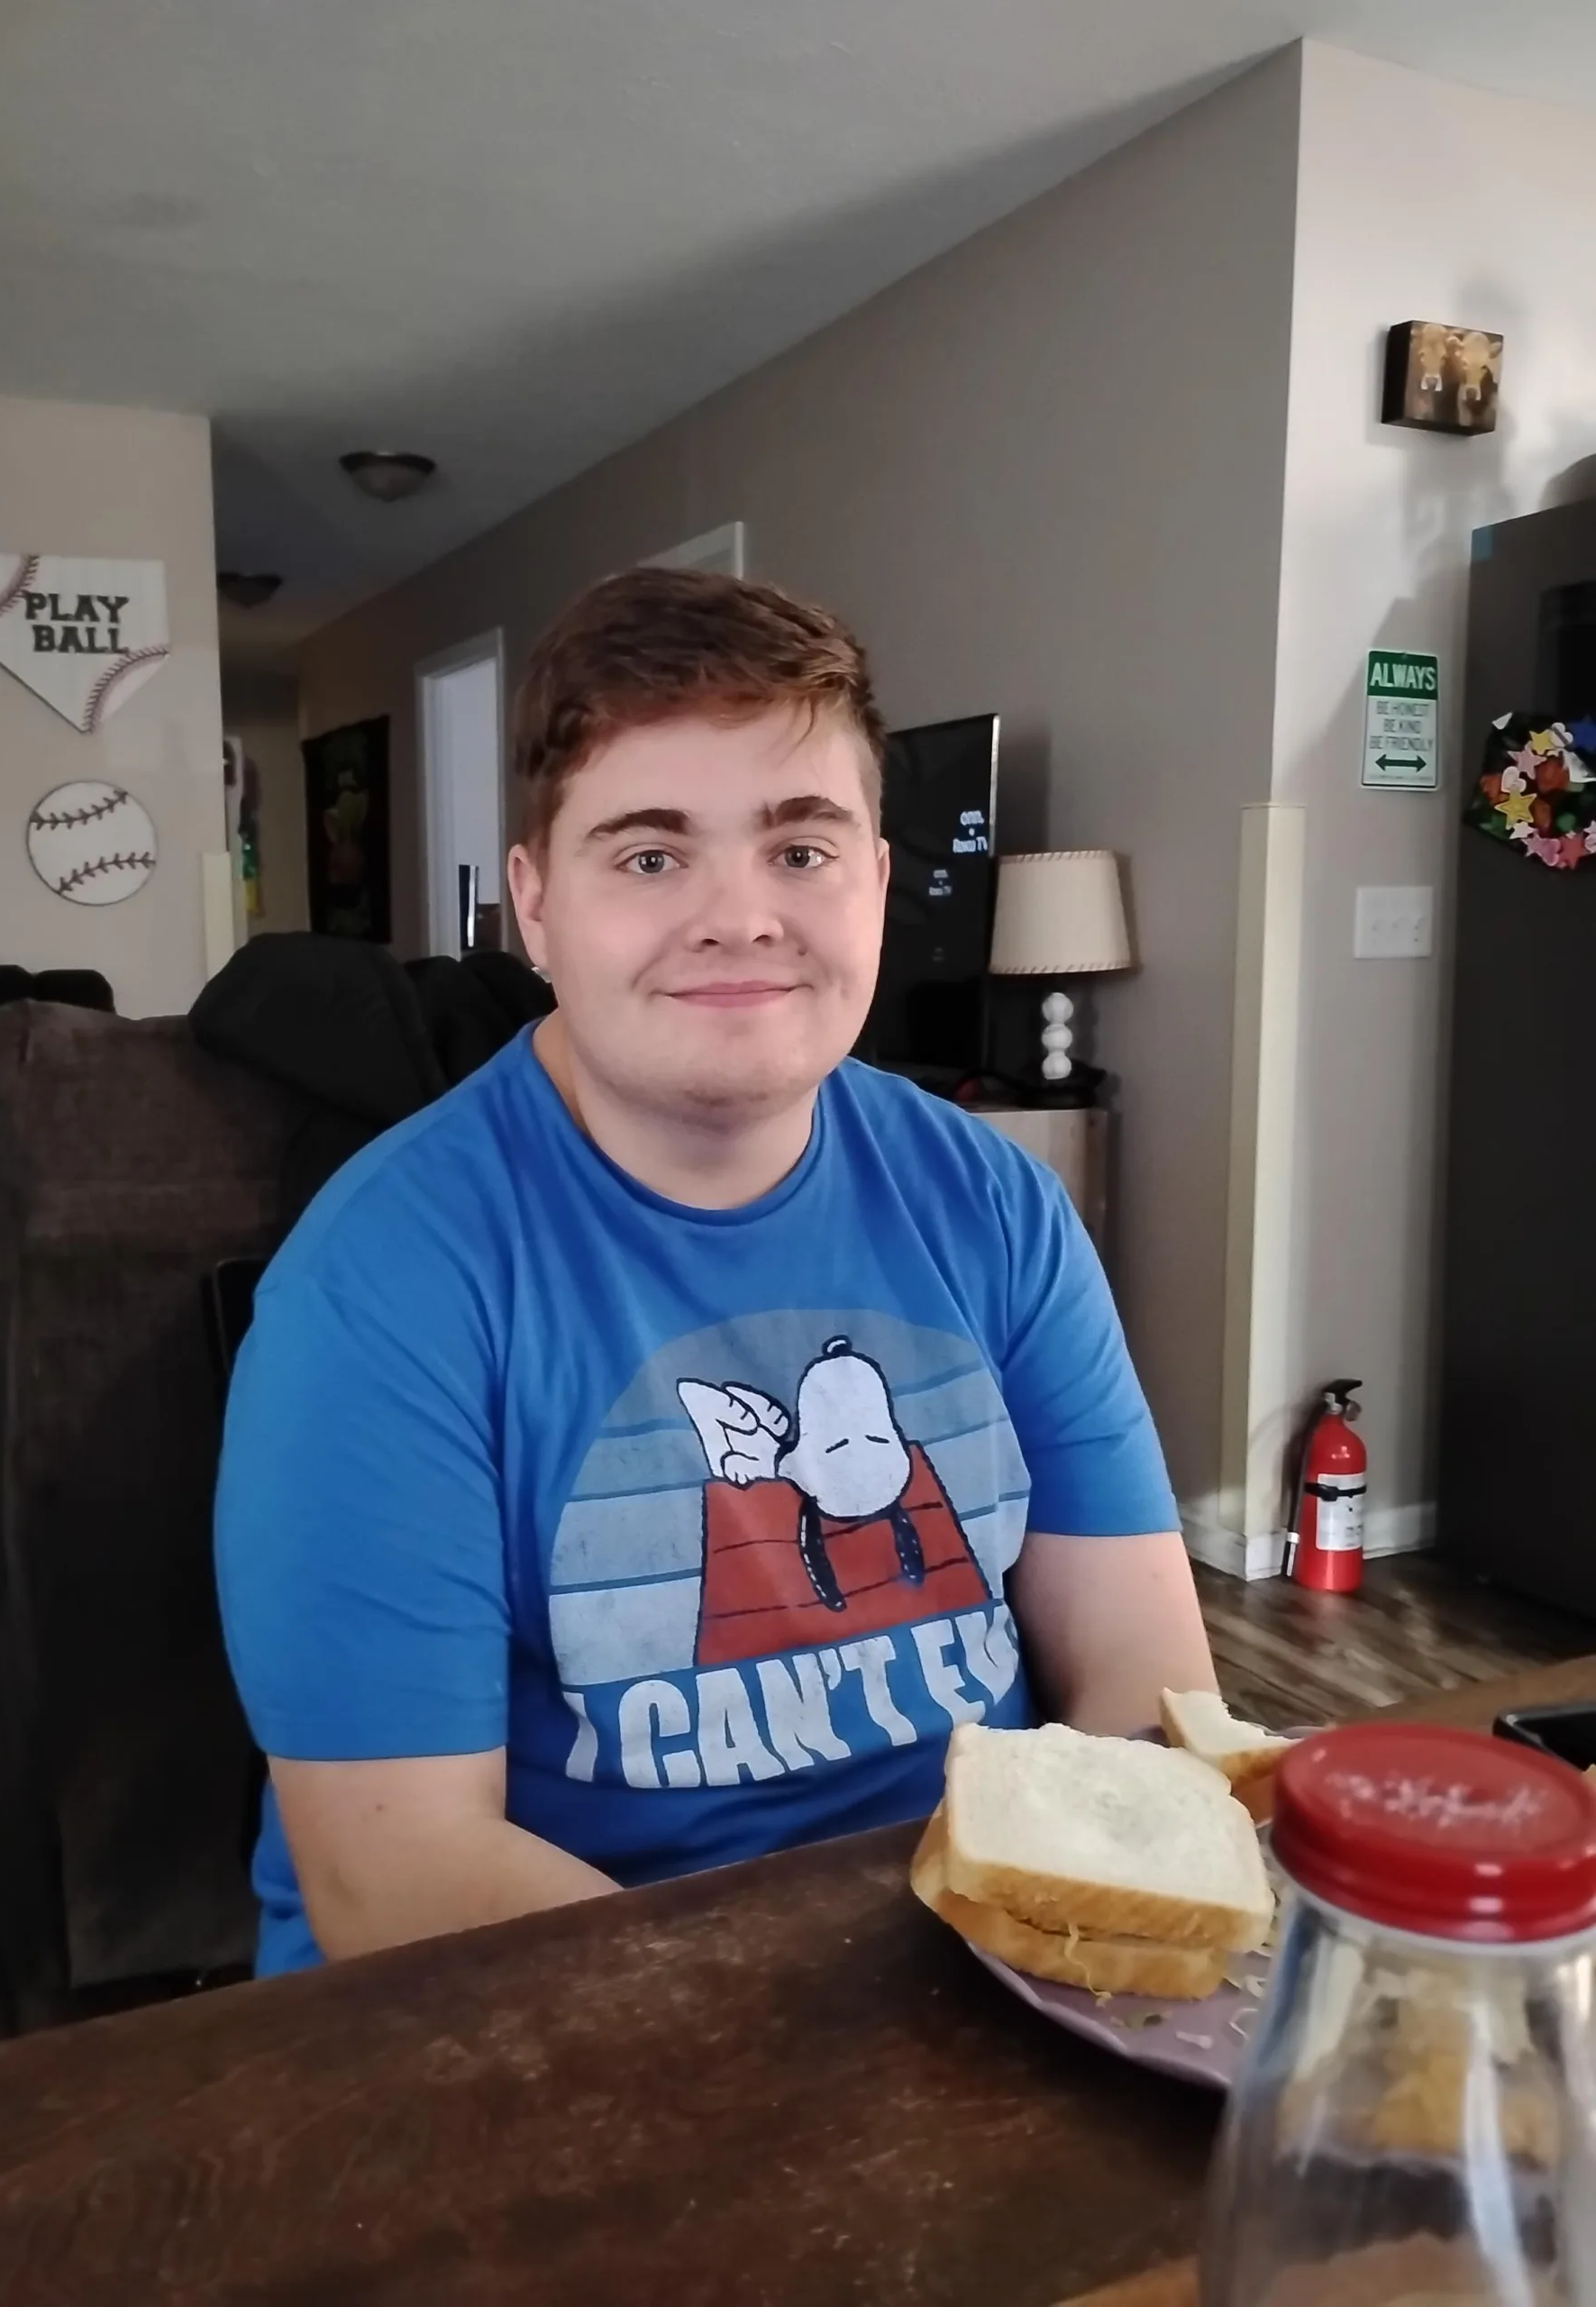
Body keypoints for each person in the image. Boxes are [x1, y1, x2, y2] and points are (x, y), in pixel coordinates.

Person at [215, 566, 1218, 1975]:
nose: (741, 917)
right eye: (648, 854)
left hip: (976, 1965)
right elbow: (404, 1882)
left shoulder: (994, 1201)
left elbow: (1143, 1679)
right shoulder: (377, 1291)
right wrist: (845, 2038)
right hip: (523, 2020)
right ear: (535, 906)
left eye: (801, 850)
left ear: (875, 878)